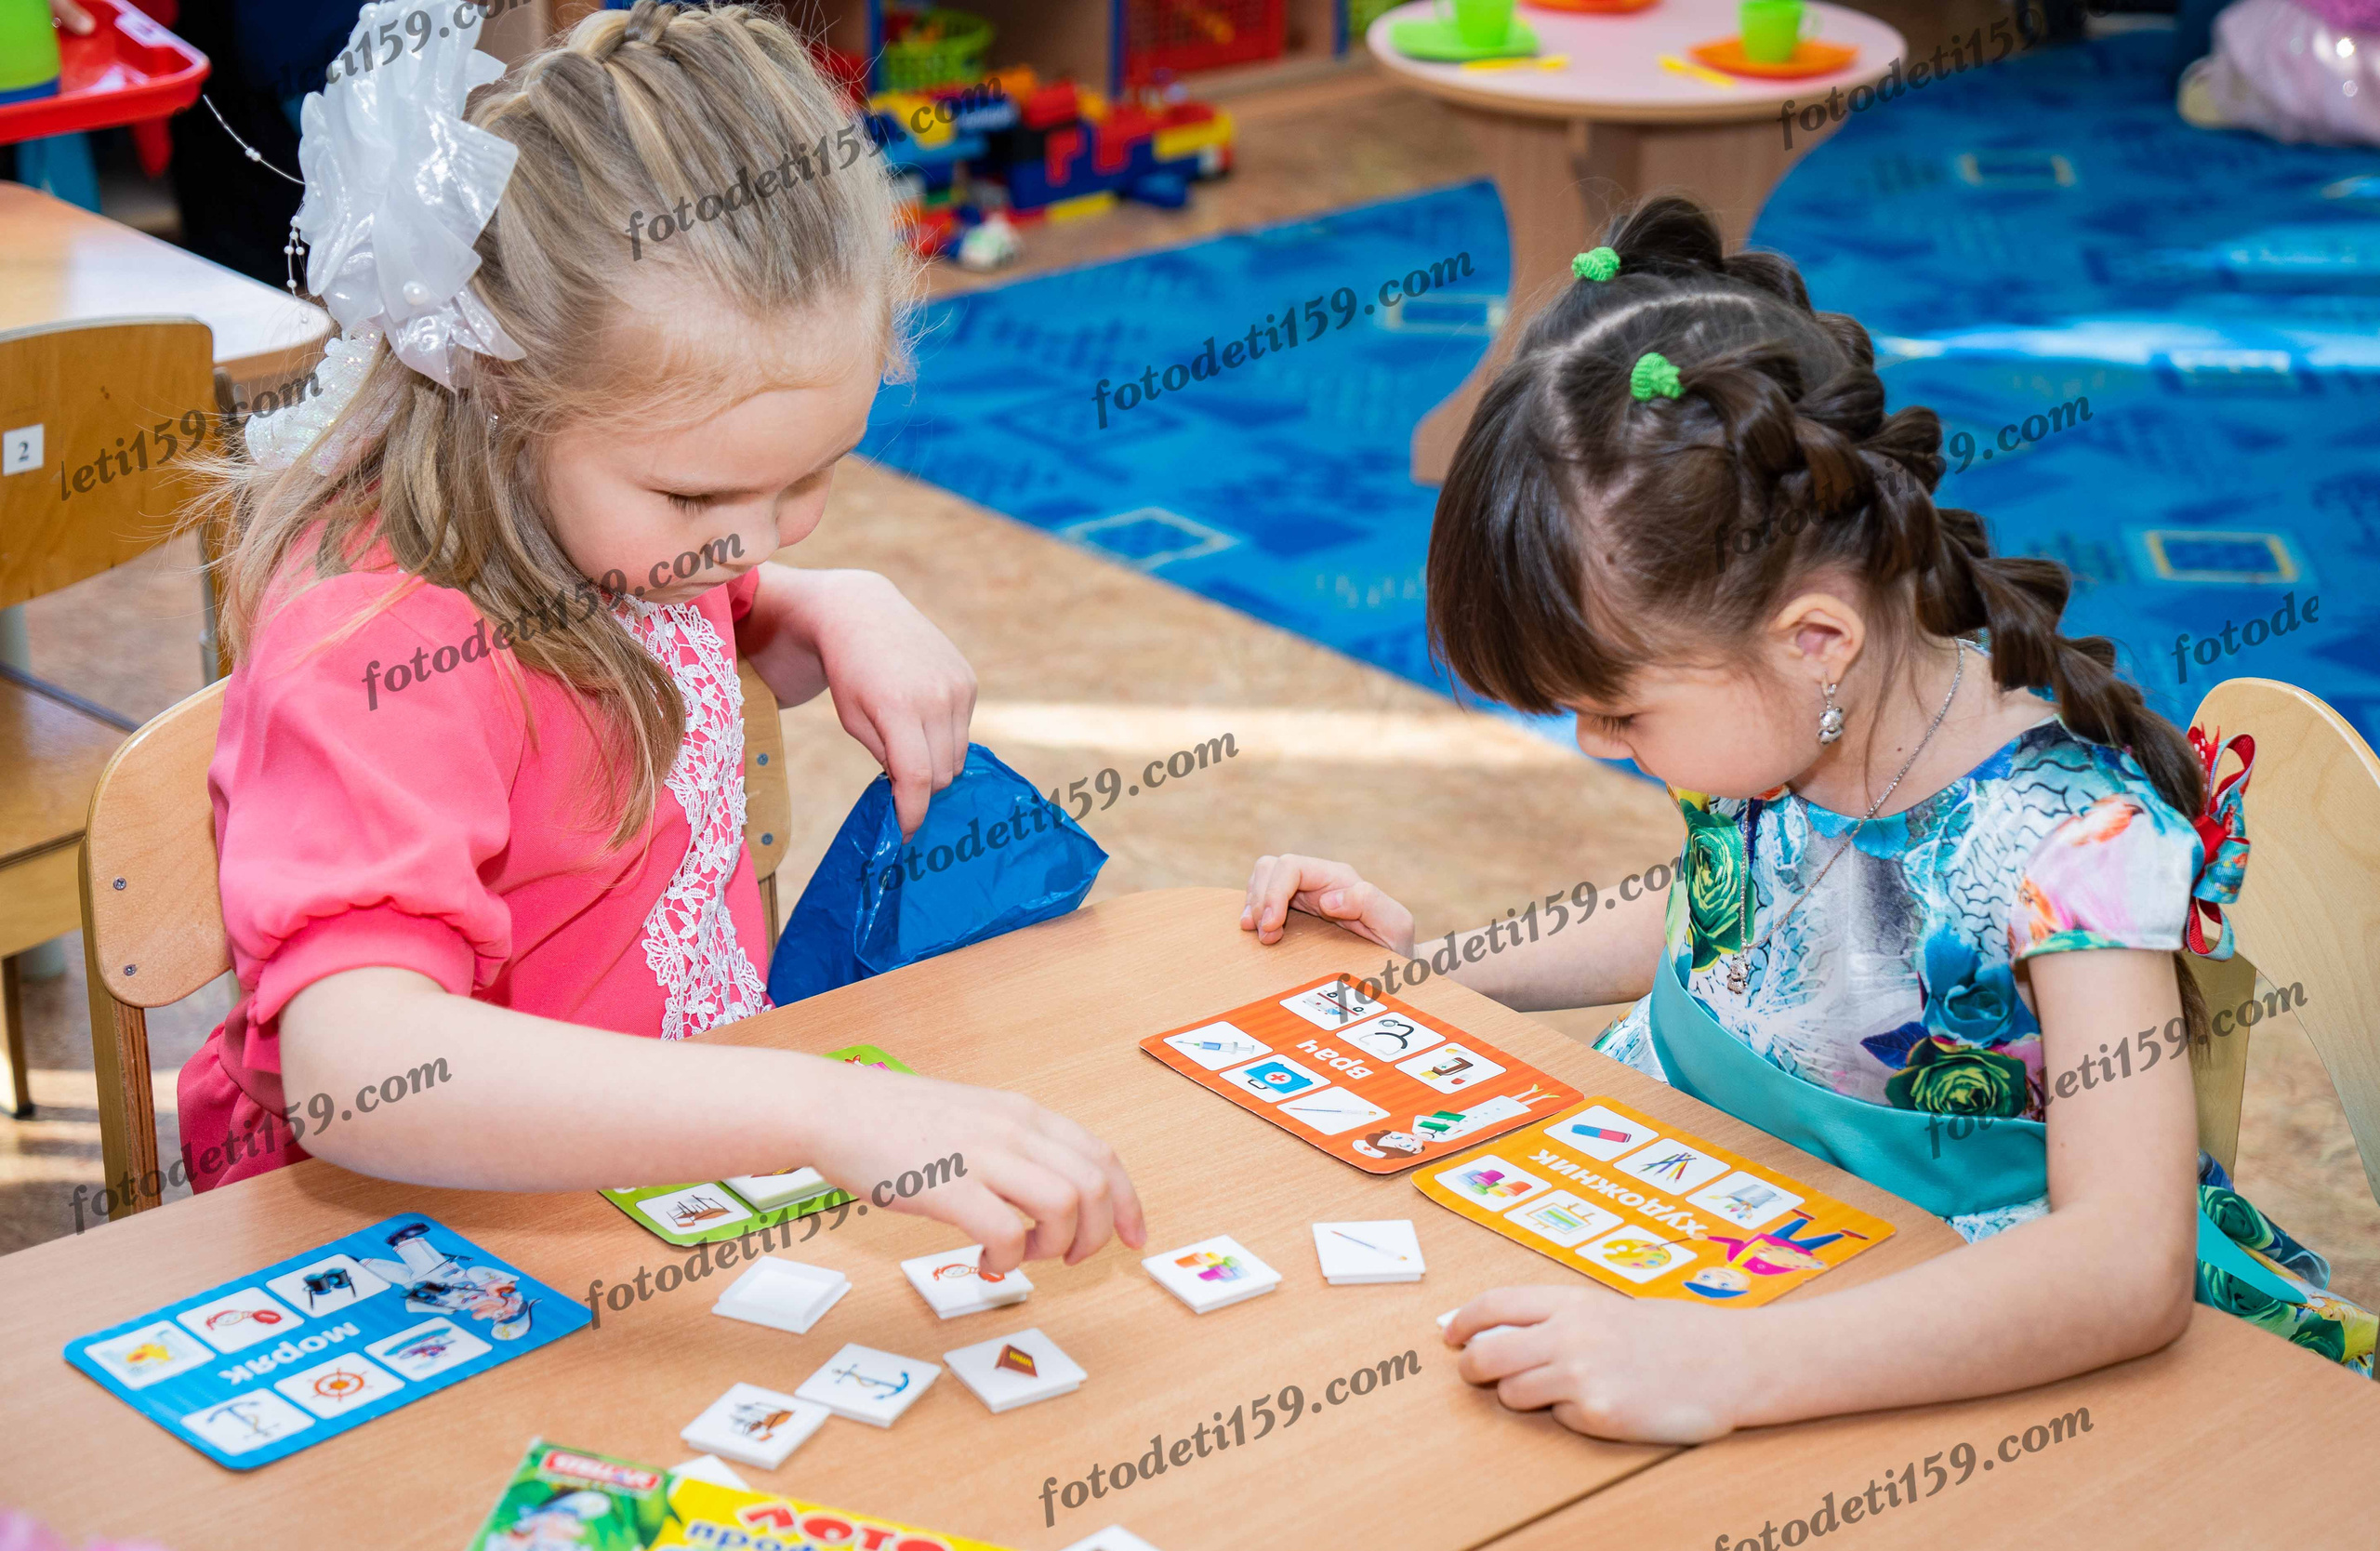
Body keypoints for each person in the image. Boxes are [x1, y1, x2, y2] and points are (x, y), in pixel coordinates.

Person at [1240, 197, 2373, 1441]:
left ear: (1815, 641)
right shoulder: (1784, 732)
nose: (1596, 749)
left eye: (1619, 714)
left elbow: (2121, 1264)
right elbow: (1727, 922)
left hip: (1937, 1339)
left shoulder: (2076, 850)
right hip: (1732, 1214)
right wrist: (1437, 975)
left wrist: (1728, 1367)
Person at [175, 0, 1142, 1276]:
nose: (753, 544)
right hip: (404, 1247)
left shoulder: (619, 523)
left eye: (814, 476)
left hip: (661, 1201)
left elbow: (716, 617)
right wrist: (820, 1107)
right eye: (699, 501)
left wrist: (832, 602)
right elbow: (365, 1068)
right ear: (508, 395)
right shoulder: (378, 649)